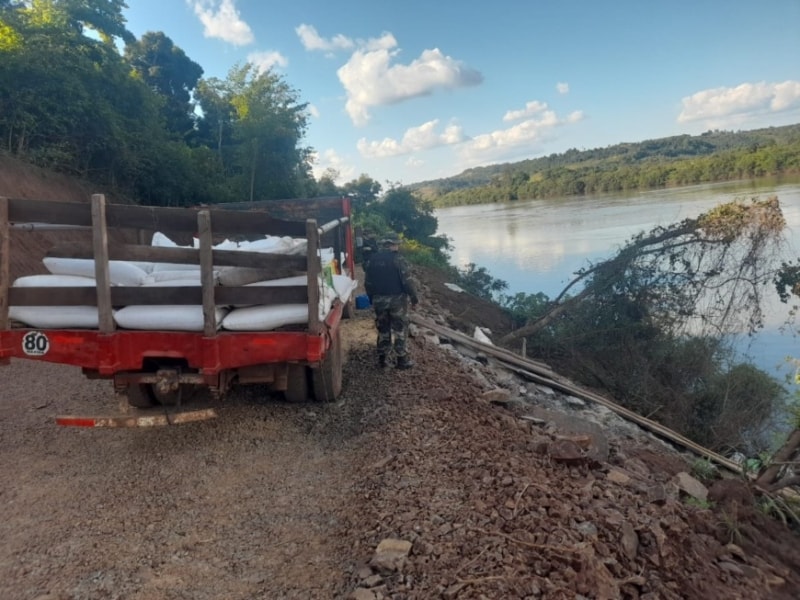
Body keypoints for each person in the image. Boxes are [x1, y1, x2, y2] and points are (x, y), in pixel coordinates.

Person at [364, 237, 420, 369]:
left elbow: (368, 283)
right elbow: (408, 282)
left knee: (383, 328)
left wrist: (371, 297)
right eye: (397, 245)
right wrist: (414, 298)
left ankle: (382, 360)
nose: (398, 247)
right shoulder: (398, 259)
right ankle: (402, 360)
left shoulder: (372, 260)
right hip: (397, 300)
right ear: (392, 245)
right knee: (400, 328)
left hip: (379, 300)